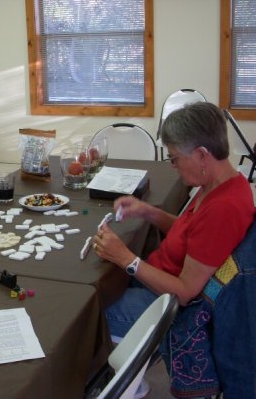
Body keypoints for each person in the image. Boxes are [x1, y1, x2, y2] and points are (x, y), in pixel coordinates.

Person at [92, 102, 255, 339]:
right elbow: (189, 231)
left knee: (85, 317)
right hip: (159, 281)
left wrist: (126, 258)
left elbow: (185, 292)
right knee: (99, 285)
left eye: (175, 157)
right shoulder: (217, 182)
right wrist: (148, 211)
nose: (173, 165)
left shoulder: (224, 208)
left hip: (172, 308)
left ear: (201, 155)